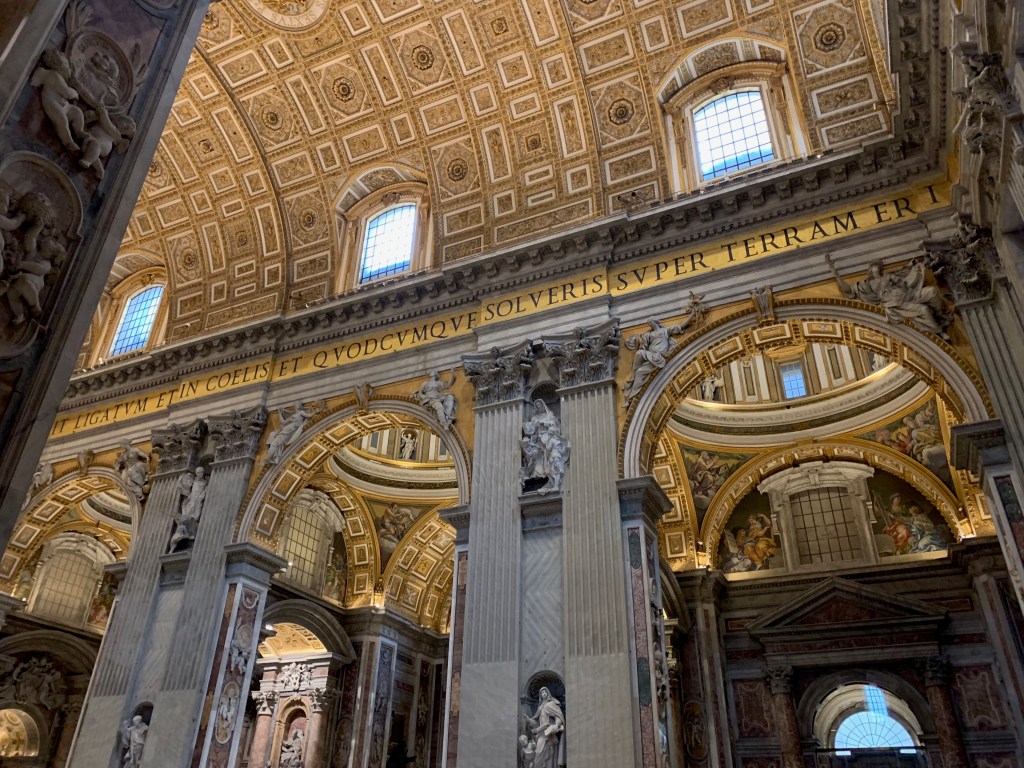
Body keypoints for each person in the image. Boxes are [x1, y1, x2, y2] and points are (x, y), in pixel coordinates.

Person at [624, 298, 706, 402]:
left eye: (651, 323)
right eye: (649, 324)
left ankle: (631, 397)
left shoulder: (665, 331)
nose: (650, 325)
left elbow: (681, 326)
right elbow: (641, 342)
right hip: (650, 354)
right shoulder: (649, 335)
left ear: (655, 322)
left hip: (658, 357)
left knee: (640, 372)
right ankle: (633, 376)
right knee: (639, 354)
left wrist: (692, 315)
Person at [523, 687, 565, 768]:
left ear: (548, 693)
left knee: (542, 752)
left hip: (550, 731)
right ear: (540, 695)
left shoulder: (551, 704)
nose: (544, 693)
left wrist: (556, 724)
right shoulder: (540, 707)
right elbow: (536, 721)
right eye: (542, 693)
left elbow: (558, 716)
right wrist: (528, 720)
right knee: (538, 752)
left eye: (545, 692)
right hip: (541, 732)